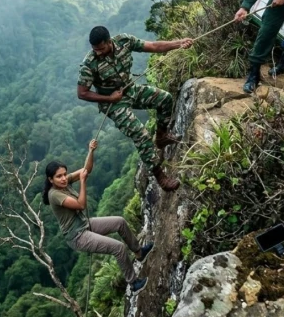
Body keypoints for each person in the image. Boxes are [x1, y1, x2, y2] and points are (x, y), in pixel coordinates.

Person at [77, 27, 193, 191]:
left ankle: (161, 136)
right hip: (113, 104)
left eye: (101, 49)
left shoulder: (124, 41)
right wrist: (109, 98)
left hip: (129, 89)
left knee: (165, 98)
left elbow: (153, 46)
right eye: (95, 50)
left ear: (110, 42)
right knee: (140, 133)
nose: (98, 53)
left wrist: (178, 43)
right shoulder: (90, 63)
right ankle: (160, 176)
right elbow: (82, 93)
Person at [44, 139, 153, 293]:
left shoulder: (65, 182)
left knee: (120, 222)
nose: (63, 178)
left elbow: (86, 170)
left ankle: (139, 252)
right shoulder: (54, 194)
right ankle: (134, 283)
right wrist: (82, 182)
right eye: (58, 176)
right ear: (51, 180)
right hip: (77, 236)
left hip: (85, 224)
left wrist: (91, 151)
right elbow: (81, 204)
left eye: (64, 174)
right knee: (118, 247)